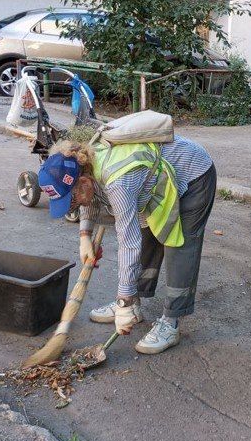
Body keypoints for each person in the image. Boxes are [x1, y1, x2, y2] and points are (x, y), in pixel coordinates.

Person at [38, 134, 216, 354]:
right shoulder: (84, 164)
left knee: (179, 245)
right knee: (146, 234)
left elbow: (128, 243)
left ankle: (171, 322)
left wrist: (122, 302)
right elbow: (89, 197)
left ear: (83, 182)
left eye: (71, 200)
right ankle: (134, 303)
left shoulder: (117, 183)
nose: (72, 207)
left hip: (193, 174)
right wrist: (85, 236)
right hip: (156, 178)